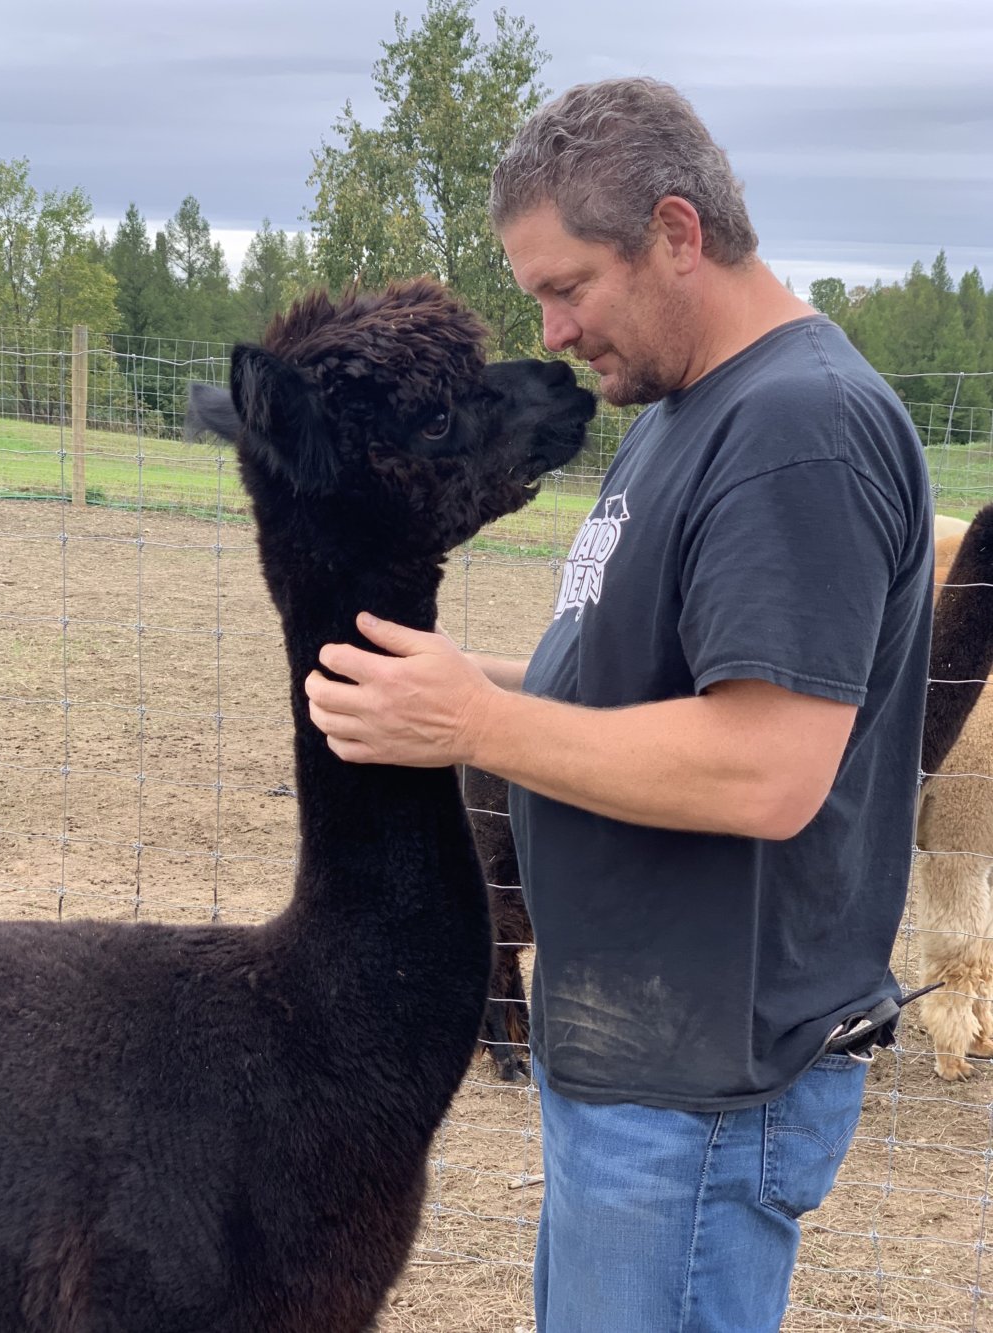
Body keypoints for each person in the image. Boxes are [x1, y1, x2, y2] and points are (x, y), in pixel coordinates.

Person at [304, 78, 933, 1332]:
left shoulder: (795, 430)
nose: (552, 327)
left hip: (698, 1087)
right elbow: (627, 697)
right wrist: (451, 680)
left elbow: (764, 768)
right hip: (637, 1065)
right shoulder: (683, 414)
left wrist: (474, 729)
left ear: (677, 232)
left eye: (567, 285)